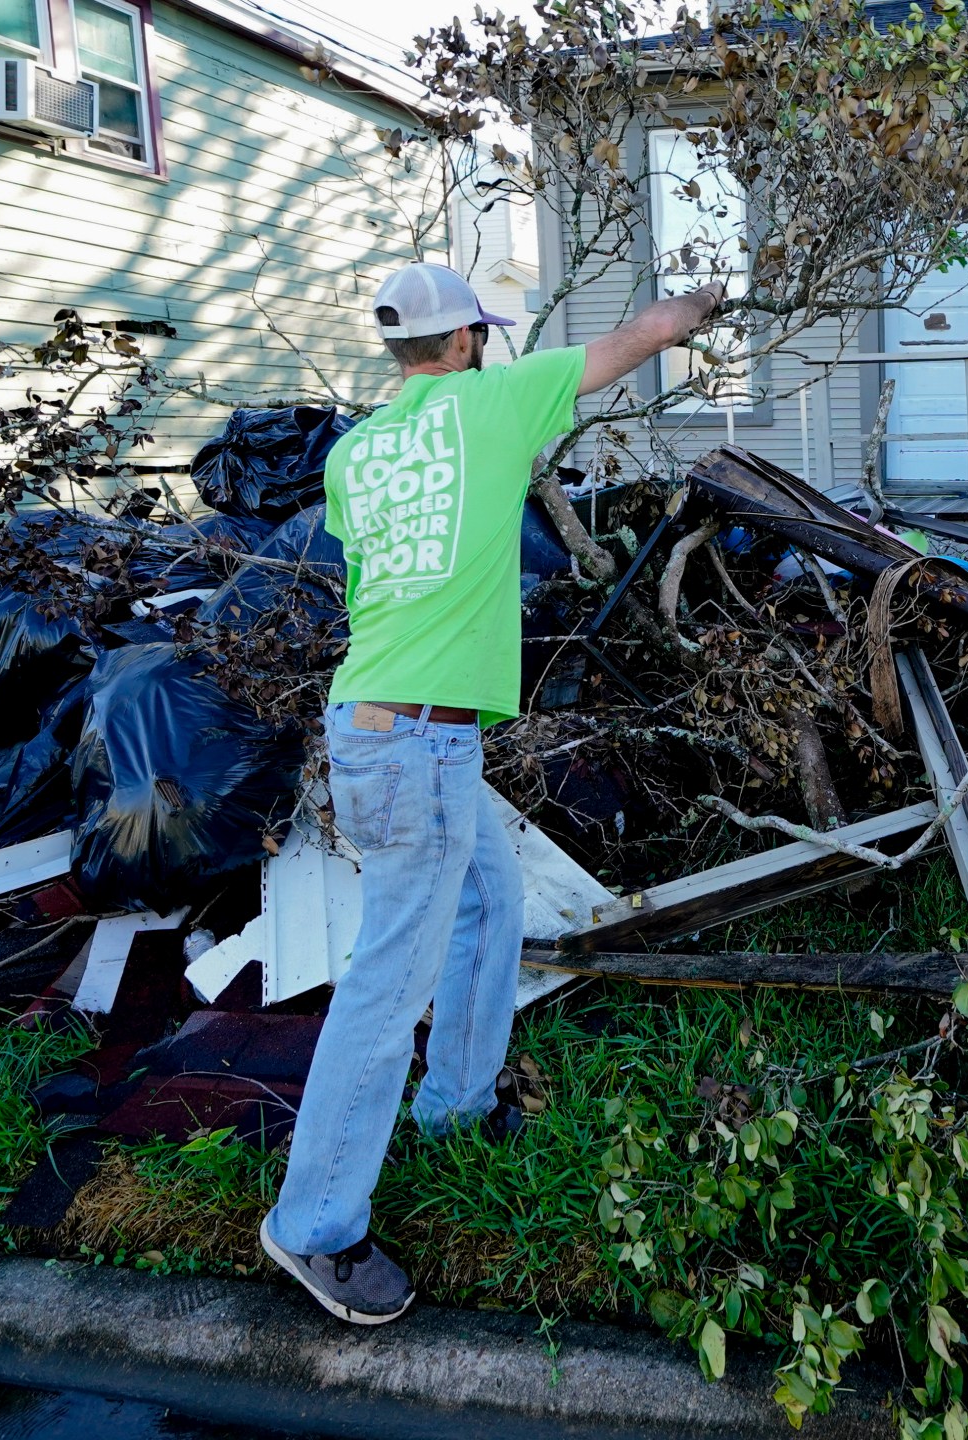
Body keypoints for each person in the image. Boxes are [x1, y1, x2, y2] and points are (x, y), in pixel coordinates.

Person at [261, 261, 723, 1324]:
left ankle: (456, 1107)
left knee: (489, 904)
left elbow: (381, 572)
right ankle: (315, 1226)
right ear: (468, 341)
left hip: (401, 729)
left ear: (397, 351)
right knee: (385, 989)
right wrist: (704, 304)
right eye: (485, 334)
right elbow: (642, 336)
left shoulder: (355, 452)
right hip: (411, 744)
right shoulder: (494, 401)